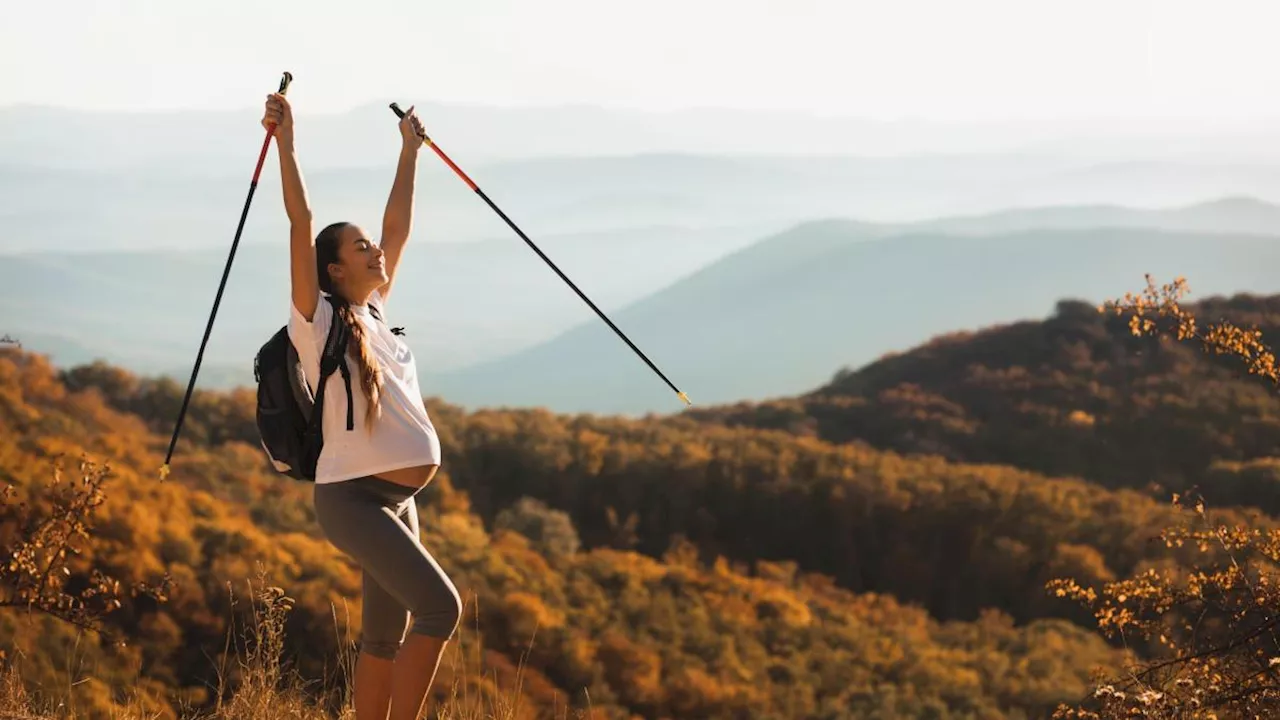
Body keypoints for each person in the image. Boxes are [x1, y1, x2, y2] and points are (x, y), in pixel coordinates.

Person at [261, 90, 462, 720]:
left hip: (396, 500)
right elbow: (300, 220)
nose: (376, 250)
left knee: (383, 637)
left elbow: (398, 226)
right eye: (360, 248)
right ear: (333, 270)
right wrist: (286, 146)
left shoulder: (374, 313)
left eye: (371, 244)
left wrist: (410, 152)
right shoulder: (316, 324)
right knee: (441, 609)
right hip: (352, 496)